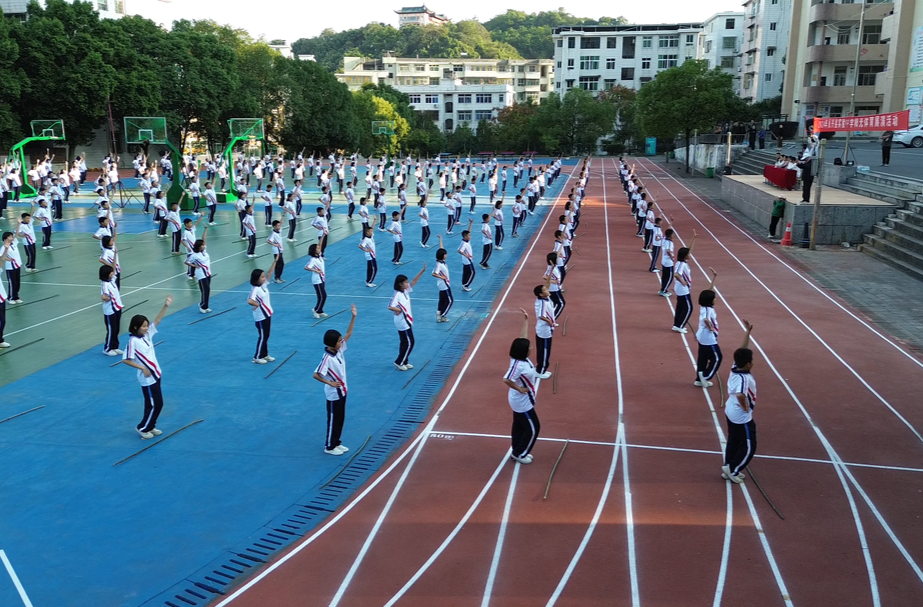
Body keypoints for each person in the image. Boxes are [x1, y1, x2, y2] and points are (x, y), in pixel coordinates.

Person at [122, 296, 174, 439]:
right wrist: (142, 368)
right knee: (155, 404)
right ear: (135, 327)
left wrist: (166, 306)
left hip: (156, 374)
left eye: (146, 325)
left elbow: (157, 321)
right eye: (143, 326)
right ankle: (142, 428)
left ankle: (151, 425)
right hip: (147, 378)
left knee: (155, 403)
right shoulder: (133, 341)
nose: (146, 328)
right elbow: (126, 360)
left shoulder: (146, 336)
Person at [503, 307, 548, 465]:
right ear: (523, 351)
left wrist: (526, 320)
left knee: (519, 426)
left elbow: (522, 338)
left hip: (523, 400)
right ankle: (520, 453)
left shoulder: (519, 358)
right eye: (529, 348)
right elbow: (506, 379)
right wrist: (520, 389)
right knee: (533, 428)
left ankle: (516, 448)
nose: (531, 348)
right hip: (521, 401)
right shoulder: (518, 366)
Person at [313, 304, 358, 456]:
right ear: (332, 344)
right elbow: (316, 374)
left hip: (343, 391)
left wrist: (353, 317)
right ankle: (329, 446)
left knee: (340, 418)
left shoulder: (338, 351)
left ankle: (336, 442)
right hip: (333, 393)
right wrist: (330, 383)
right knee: (333, 419)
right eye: (339, 341)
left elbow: (349, 334)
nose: (342, 342)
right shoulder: (327, 358)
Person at [722, 320, 756, 484]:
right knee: (750, 446)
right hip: (741, 415)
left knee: (734, 440)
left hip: (730, 411)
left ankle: (728, 466)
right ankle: (734, 470)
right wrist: (746, 408)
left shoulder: (736, 366)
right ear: (748, 364)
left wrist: (747, 333)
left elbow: (742, 351)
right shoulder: (743, 378)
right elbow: (741, 395)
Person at [388, 263, 427, 371]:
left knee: (404, 342)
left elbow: (414, 281)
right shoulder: (397, 294)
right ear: (400, 284)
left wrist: (422, 271)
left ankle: (404, 360)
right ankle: (399, 362)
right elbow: (390, 306)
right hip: (402, 321)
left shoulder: (405, 291)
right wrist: (399, 310)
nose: (407, 283)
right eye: (405, 282)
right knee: (410, 342)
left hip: (406, 320)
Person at [247, 255, 279, 364]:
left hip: (267, 314)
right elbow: (249, 300)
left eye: (263, 276)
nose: (264, 278)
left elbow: (270, 273)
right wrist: (257, 304)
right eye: (261, 277)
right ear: (256, 279)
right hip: (261, 316)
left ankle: (264, 354)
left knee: (266, 335)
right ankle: (257, 357)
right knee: (262, 336)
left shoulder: (263, 286)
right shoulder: (255, 289)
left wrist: (274, 262)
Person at [694, 268, 720, 387]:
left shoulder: (703, 306)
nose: (716, 298)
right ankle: (705, 376)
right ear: (710, 300)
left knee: (703, 357)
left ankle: (699, 379)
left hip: (701, 337)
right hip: (708, 338)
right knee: (717, 358)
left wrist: (713, 278)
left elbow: (708, 292)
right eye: (714, 297)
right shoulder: (708, 310)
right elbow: (706, 319)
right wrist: (711, 328)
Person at [671, 232, 697, 333]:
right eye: (688, 254)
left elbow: (689, 249)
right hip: (682, 289)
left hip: (680, 289)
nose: (690, 254)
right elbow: (677, 274)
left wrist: (693, 238)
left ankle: (677, 324)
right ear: (685, 256)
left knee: (680, 307)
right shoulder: (681, 264)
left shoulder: (681, 262)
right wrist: (683, 282)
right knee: (689, 307)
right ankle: (680, 325)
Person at [534, 273, 557, 375]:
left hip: (545, 329)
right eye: (545, 290)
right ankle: (541, 371)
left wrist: (551, 269)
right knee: (545, 350)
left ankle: (541, 368)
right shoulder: (542, 303)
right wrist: (550, 322)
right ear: (541, 294)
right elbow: (541, 316)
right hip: (544, 330)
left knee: (543, 349)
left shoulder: (545, 298)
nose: (548, 290)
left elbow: (546, 285)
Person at [100, 265, 124, 356]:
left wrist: (115, 254)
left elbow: (114, 268)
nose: (112, 273)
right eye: (110, 272)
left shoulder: (112, 280)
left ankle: (114, 346)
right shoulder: (105, 284)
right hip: (110, 310)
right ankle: (107, 348)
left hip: (117, 308)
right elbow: (103, 296)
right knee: (111, 330)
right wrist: (111, 298)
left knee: (116, 328)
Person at [185, 235, 212, 314]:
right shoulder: (194, 255)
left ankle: (204, 305)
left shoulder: (204, 252)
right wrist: (194, 266)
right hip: (201, 274)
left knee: (206, 290)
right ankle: (203, 306)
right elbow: (186, 262)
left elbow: (204, 238)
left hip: (208, 273)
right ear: (199, 247)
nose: (204, 245)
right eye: (203, 245)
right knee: (206, 290)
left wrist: (205, 229)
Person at [432, 235, 452, 323]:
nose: (446, 255)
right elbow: (433, 273)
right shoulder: (439, 265)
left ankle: (439, 313)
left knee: (442, 300)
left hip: (443, 285)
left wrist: (440, 239)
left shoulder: (441, 261)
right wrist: (442, 277)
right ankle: (442, 315)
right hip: (444, 285)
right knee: (450, 301)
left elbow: (441, 248)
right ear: (442, 256)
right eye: (445, 254)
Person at [305, 244, 327, 318]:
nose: (319, 248)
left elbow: (320, 244)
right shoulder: (313, 260)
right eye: (317, 248)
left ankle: (320, 310)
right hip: (317, 280)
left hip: (322, 278)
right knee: (323, 296)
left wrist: (324, 234)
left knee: (321, 296)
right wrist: (315, 270)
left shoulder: (319, 257)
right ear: (314, 251)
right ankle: (316, 310)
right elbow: (306, 267)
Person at [2, 231, 23, 304]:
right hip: (10, 267)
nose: (11, 238)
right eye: (9, 237)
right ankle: (10, 298)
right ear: (5, 239)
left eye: (11, 236)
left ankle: (16, 296)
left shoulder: (14, 243)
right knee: (12, 283)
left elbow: (17, 234)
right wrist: (8, 259)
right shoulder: (3, 248)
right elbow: (1, 257)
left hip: (17, 265)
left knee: (17, 283)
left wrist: (19, 224)